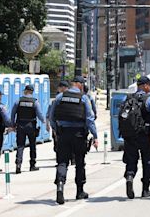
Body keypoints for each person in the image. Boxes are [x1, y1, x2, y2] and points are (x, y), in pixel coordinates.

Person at [49, 76, 98, 205]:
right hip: (79, 135)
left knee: (62, 162)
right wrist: (95, 135)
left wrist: (57, 130)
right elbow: (89, 119)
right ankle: (80, 191)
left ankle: (60, 185)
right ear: (80, 85)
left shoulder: (60, 97)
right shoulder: (84, 98)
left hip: (63, 134)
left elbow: (51, 117)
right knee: (80, 163)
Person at [120, 76, 150, 199]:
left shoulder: (128, 98)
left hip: (129, 135)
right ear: (145, 86)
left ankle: (129, 176)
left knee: (131, 159)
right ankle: (145, 189)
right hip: (146, 135)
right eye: (149, 85)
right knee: (147, 160)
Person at [11, 84, 45, 174]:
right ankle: (32, 165)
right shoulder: (35, 102)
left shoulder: (18, 101)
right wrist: (45, 122)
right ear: (32, 92)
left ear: (25, 91)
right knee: (32, 145)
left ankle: (18, 164)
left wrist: (12, 124)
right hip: (31, 125)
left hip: (20, 125)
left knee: (20, 146)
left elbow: (13, 113)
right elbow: (40, 115)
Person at [46, 81, 70, 153]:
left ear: (62, 88)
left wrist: (52, 127)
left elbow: (50, 115)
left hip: (59, 125)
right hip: (70, 125)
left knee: (59, 143)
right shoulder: (73, 97)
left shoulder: (55, 101)